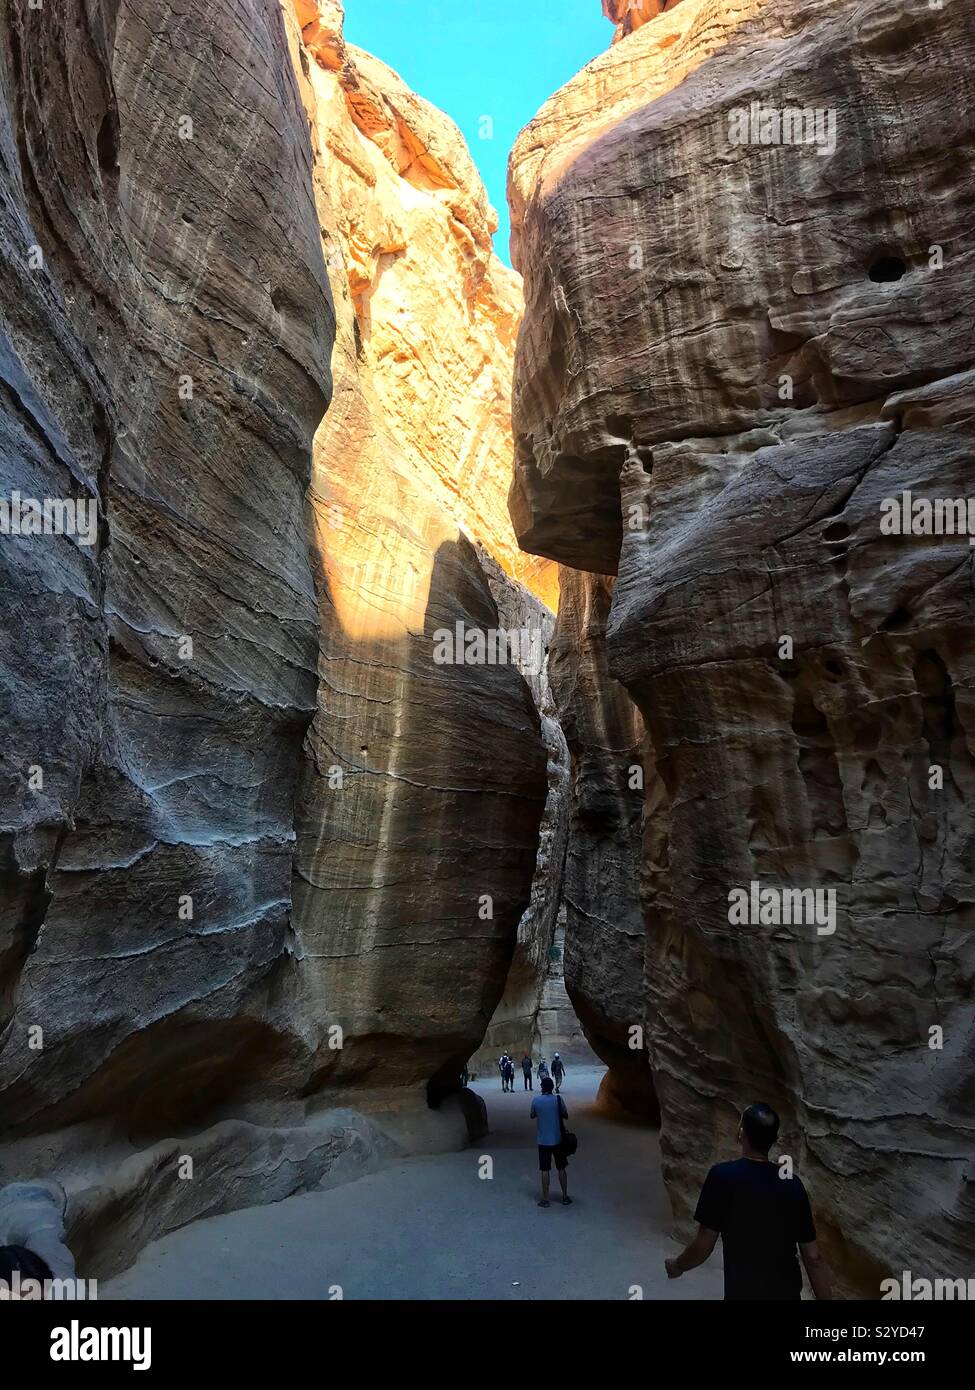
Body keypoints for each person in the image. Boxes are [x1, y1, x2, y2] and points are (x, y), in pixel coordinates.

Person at [665, 1102, 833, 1300]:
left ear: (741, 1133)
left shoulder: (722, 1177)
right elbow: (813, 1258)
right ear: (774, 1140)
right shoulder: (792, 1184)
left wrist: (678, 1266)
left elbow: (704, 1244)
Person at [530, 1077, 571, 1208]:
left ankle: (545, 1199)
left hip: (543, 1140)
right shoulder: (558, 1099)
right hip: (558, 1139)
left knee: (544, 1169)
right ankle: (565, 1197)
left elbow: (532, 1115)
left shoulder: (536, 1100)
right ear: (552, 1087)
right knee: (561, 1168)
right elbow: (565, 1114)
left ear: (542, 1087)